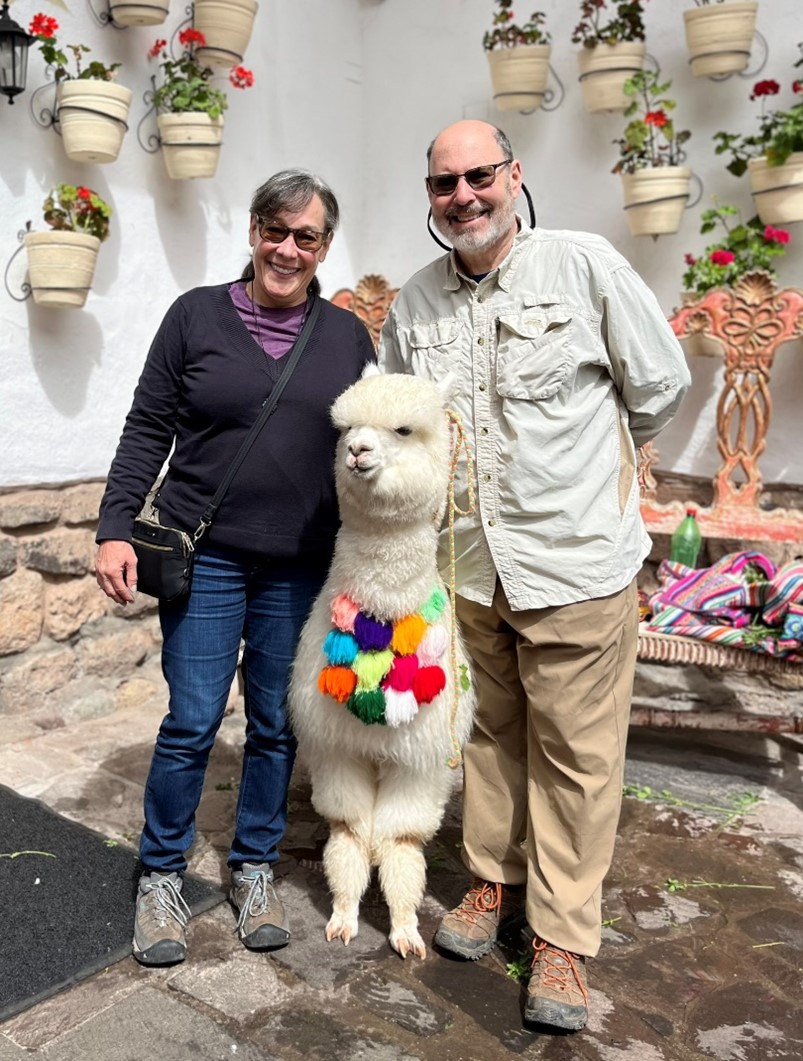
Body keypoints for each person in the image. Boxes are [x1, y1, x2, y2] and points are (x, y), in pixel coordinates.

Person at [377, 120, 691, 1032]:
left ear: (514, 176)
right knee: (487, 737)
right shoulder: (415, 304)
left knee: (578, 758)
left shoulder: (582, 265)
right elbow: (401, 420)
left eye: (480, 175)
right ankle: (491, 882)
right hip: (470, 568)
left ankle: (560, 936)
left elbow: (659, 383)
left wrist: (609, 472)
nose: (464, 195)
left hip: (574, 561)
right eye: (445, 183)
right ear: (429, 194)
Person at [96, 169, 376, 967]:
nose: (287, 249)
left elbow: (370, 448)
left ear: (324, 247)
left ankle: (254, 863)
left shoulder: (348, 337)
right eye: (275, 230)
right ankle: (161, 874)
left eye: (307, 236)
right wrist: (115, 525)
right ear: (254, 230)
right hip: (206, 554)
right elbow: (148, 425)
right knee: (190, 719)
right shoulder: (194, 317)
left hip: (299, 563)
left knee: (276, 723)